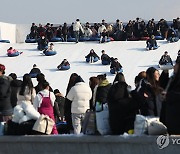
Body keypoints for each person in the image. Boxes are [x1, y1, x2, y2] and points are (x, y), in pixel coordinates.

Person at [160, 58, 180, 134]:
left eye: (176, 65)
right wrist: (165, 74)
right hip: (172, 120)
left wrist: (168, 96)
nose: (174, 67)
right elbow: (164, 85)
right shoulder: (174, 78)